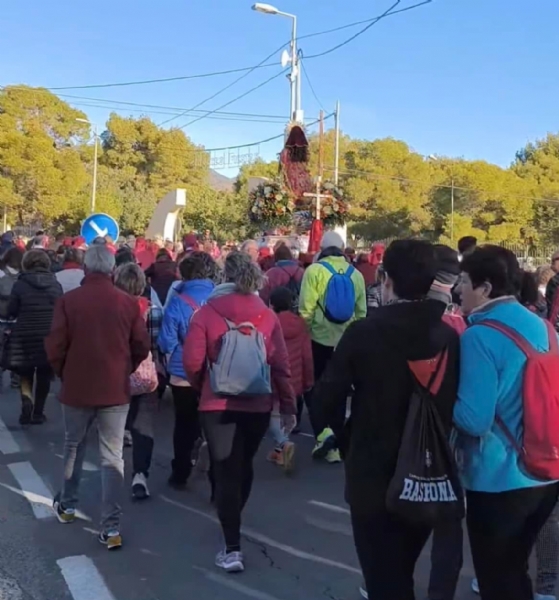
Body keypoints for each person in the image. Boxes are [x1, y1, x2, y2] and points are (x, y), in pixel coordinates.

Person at [315, 239, 460, 600]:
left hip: (372, 470)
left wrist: (343, 439)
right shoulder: (449, 337)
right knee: (402, 569)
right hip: (429, 469)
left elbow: (325, 399)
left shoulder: (365, 332)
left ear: (386, 279)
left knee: (382, 576)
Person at [453, 245, 559, 600]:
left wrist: (434, 396)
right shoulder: (544, 327)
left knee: (499, 579)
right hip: (545, 471)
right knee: (515, 573)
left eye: (464, 281)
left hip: (497, 480)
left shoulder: (478, 336)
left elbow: (474, 419)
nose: (458, 289)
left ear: (485, 288)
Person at [183, 251, 296, 573]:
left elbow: (192, 361)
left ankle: (231, 546)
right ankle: (233, 518)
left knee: (225, 469)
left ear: (223, 278)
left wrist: (203, 385)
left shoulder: (207, 313)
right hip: (258, 403)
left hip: (217, 403)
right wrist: (287, 405)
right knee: (244, 464)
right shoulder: (267, 315)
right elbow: (281, 365)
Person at [45, 245, 150, 550]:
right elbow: (141, 345)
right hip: (114, 388)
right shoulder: (128, 304)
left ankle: (67, 504)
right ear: (112, 270)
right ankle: (111, 527)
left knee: (74, 445)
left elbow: (55, 345)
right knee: (112, 456)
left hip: (77, 385)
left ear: (86, 269)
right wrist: (124, 367)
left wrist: (64, 371)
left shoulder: (69, 301)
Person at [299, 231, 366, 463]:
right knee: (338, 392)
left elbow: (305, 309)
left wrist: (304, 335)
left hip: (317, 340)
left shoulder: (314, 271)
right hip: (345, 343)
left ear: (322, 248)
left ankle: (323, 435)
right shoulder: (355, 274)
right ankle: (336, 440)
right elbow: (361, 313)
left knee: (314, 388)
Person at [158, 251, 218, 489]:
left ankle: (180, 472)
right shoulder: (218, 297)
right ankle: (216, 478)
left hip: (183, 372)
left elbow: (166, 341)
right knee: (214, 426)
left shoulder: (177, 301)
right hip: (214, 371)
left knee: (183, 424)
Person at [113, 263, 159, 500]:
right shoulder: (152, 311)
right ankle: (140, 474)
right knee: (144, 426)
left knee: (114, 423)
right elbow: (157, 342)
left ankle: (112, 474)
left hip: (115, 373)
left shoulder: (109, 310)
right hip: (144, 374)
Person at [5, 249, 62, 425]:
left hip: (24, 335)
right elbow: (61, 310)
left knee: (25, 372)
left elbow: (11, 310)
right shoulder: (55, 284)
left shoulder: (20, 284)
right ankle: (38, 412)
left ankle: (26, 403)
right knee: (45, 374)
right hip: (48, 334)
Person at [266, 286, 313, 471]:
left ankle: (283, 443)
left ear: (272, 304)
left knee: (274, 414)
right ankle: (279, 450)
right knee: (288, 414)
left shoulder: (269, 323)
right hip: (294, 378)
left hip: (273, 377)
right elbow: (307, 356)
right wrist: (308, 380)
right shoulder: (301, 324)